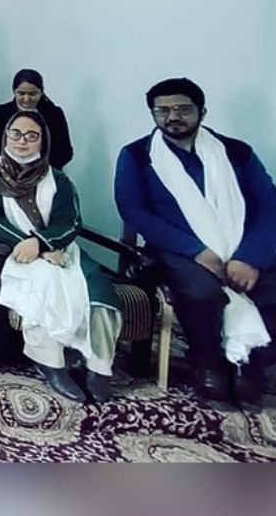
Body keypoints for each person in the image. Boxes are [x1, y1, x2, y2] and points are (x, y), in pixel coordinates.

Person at [115, 78, 276, 409]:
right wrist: (196, 251)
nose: (172, 117)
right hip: (177, 250)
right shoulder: (137, 155)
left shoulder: (237, 153)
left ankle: (252, 365)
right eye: (162, 110)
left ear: (202, 112)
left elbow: (268, 206)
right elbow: (133, 210)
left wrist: (249, 257)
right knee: (203, 292)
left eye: (182, 109)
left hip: (241, 247)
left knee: (269, 288)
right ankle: (208, 364)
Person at [0, 112, 121, 403]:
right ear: (6, 136)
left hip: (60, 250)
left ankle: (99, 367)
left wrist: (43, 242)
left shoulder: (58, 178)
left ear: (43, 140)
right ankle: (52, 364)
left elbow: (71, 221)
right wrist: (30, 245)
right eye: (16, 134)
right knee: (44, 286)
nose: (22, 141)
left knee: (98, 290)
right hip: (15, 251)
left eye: (32, 136)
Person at [0, 69, 75, 169]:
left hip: (43, 170)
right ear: (14, 91)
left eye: (32, 94)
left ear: (41, 92)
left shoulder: (54, 114)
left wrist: (39, 170)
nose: (27, 99)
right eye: (21, 93)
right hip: (4, 170)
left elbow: (65, 152)